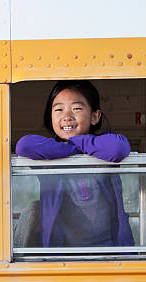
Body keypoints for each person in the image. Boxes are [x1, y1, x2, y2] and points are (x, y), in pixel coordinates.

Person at [15, 80, 134, 248]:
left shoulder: (100, 151)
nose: (67, 116)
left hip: (108, 250)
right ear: (51, 117)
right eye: (58, 109)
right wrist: (70, 148)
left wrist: (77, 143)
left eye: (76, 108)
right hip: (62, 253)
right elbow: (24, 146)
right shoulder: (50, 155)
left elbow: (118, 148)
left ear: (94, 117)